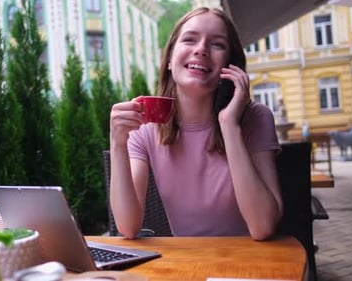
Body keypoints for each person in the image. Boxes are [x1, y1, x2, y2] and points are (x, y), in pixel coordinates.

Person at [109, 7, 282, 241]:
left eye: (217, 44)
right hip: (188, 266)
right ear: (169, 59)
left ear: (230, 65)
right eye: (190, 39)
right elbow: (127, 227)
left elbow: (263, 227)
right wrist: (118, 144)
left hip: (248, 266)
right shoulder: (146, 128)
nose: (201, 49)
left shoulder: (255, 118)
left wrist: (229, 125)